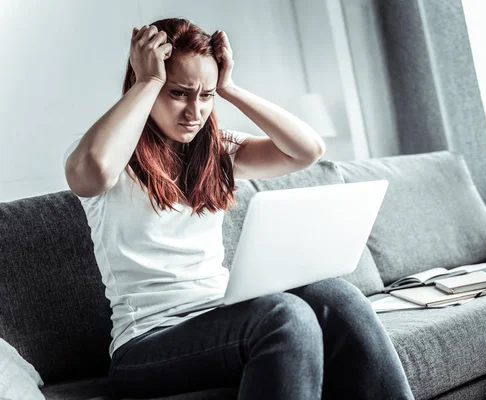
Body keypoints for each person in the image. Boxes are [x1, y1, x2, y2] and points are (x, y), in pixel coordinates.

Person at [63, 17, 415, 400]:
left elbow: (307, 150)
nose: (194, 111)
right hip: (146, 345)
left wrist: (229, 88)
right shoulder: (110, 155)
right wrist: (147, 79)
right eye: (178, 93)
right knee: (285, 316)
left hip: (220, 316)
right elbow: (92, 171)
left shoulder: (218, 152)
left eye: (206, 95)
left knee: (337, 296)